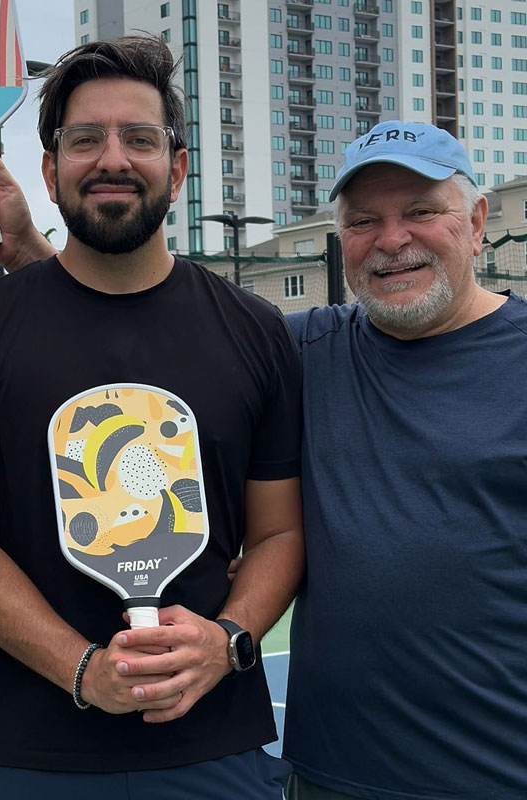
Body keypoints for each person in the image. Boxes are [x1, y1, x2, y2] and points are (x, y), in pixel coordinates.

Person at [0, 36, 304, 799]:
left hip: (216, 751)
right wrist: (82, 669)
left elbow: (280, 533)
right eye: (84, 140)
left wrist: (226, 641)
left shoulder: (256, 330)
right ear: (52, 171)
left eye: (141, 138)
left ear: (180, 166)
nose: (113, 159)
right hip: (29, 757)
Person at [282, 121, 527, 799]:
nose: (392, 240)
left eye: (421, 211)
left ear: (476, 223)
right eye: (364, 221)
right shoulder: (303, 350)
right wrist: (34, 248)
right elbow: (147, 330)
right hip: (330, 777)